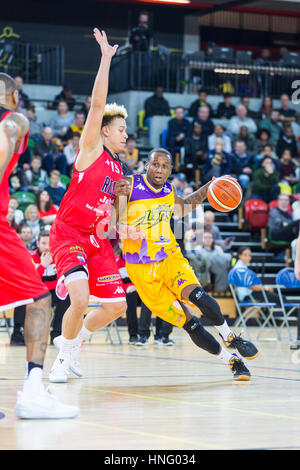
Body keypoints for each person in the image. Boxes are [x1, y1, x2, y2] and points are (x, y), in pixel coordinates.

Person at [118, 147, 259, 381]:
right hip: (141, 269)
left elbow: (182, 207)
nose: (159, 170)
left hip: (169, 256)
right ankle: (231, 360)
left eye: (165, 166)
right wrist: (122, 229)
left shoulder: (168, 189)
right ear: (146, 165)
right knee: (190, 324)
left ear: (171, 170)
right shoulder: (128, 185)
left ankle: (230, 335)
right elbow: (111, 220)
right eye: (155, 164)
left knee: (199, 296)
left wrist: (209, 188)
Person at [48, 29, 131, 384]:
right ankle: (61, 360)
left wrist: (121, 225)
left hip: (96, 239)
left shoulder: (119, 168)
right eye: (122, 129)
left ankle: (74, 342)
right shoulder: (92, 148)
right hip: (68, 233)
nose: (126, 134)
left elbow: (108, 212)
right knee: (80, 298)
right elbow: (98, 105)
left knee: (117, 306)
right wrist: (106, 59)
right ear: (106, 132)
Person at [0, 72, 78, 418]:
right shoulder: (14, 119)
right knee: (38, 298)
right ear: (14, 95)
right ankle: (32, 391)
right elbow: (6, 137)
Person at [30, 231, 70, 344]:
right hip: (38, 291)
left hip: (55, 290)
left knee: (65, 298)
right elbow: (31, 280)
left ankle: (56, 334)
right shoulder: (31, 256)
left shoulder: (59, 255)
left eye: (49, 243)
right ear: (37, 243)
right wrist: (43, 265)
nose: (47, 247)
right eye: (43, 243)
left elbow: (62, 278)